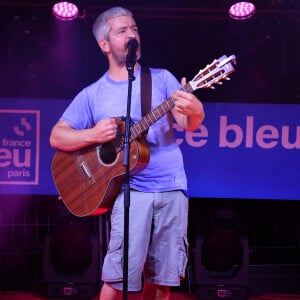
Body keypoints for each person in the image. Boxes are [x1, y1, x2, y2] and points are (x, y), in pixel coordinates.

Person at [49, 6, 205, 300]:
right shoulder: (93, 94)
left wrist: (196, 110)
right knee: (117, 278)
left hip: (172, 187)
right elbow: (57, 136)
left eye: (134, 28)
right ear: (104, 44)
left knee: (162, 280)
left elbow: (188, 123)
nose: (132, 34)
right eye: (122, 31)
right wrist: (93, 135)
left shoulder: (161, 79)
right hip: (130, 191)